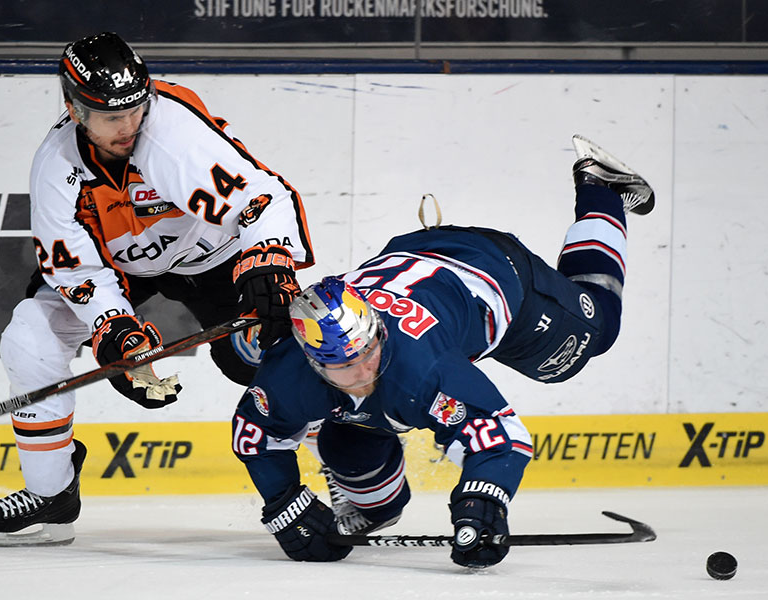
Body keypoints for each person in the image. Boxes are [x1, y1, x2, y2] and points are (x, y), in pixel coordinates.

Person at [231, 135, 654, 567]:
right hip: (415, 271)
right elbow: (254, 434)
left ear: (377, 330)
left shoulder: (423, 368)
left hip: (492, 273)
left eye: (366, 351)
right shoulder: (290, 369)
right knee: (355, 457)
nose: (362, 371)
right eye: (343, 366)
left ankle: (603, 189)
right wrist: (285, 507)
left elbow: (501, 439)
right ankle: (356, 480)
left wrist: (482, 502)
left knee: (594, 334)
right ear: (313, 361)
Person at [0, 32, 314, 546]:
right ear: (74, 109)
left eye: (134, 109)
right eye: (111, 117)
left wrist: (268, 262)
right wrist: (115, 330)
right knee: (29, 336)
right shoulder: (56, 167)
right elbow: (74, 268)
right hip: (121, 267)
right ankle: (51, 492)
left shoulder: (173, 134)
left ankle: (350, 473)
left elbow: (262, 199)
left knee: (275, 351)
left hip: (213, 253)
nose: (128, 126)